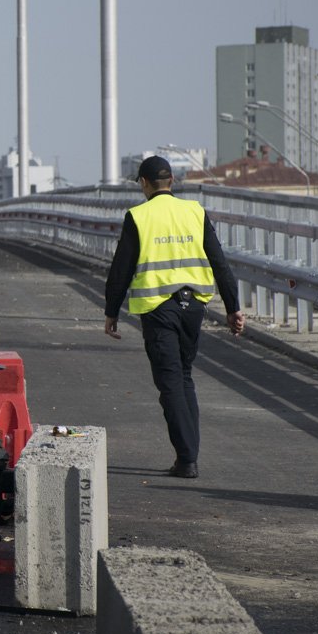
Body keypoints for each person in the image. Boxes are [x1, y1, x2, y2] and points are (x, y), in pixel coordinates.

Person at [104, 155, 246, 479]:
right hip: (193, 307)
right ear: (172, 182)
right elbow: (219, 262)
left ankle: (187, 459)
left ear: (143, 183)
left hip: (158, 308)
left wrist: (112, 312)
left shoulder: (138, 216)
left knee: (169, 382)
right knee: (183, 376)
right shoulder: (195, 211)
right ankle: (189, 454)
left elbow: (120, 270)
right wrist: (233, 307)